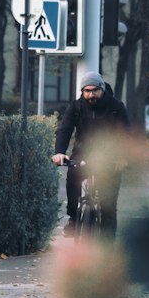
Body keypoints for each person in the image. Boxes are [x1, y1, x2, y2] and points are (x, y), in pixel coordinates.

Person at [52, 71, 130, 236]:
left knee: (108, 207)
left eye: (94, 90)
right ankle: (73, 218)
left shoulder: (116, 107)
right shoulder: (76, 106)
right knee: (73, 179)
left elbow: (125, 134)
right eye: (87, 91)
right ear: (82, 91)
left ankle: (107, 248)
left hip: (111, 158)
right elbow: (64, 130)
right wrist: (59, 152)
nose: (91, 94)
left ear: (102, 89)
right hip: (83, 153)